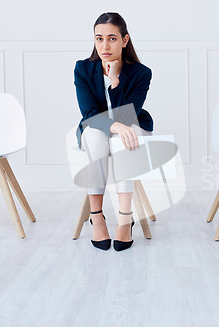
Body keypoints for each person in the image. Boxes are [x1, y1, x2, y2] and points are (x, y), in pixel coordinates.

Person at [74, 12, 153, 251]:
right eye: (99, 39)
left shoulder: (141, 73)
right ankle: (96, 215)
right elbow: (88, 114)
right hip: (96, 128)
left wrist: (115, 81)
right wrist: (114, 125)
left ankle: (124, 218)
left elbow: (128, 115)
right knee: (95, 137)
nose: (104, 45)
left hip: (131, 125)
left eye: (111, 38)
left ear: (125, 40)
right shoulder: (83, 69)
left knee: (124, 137)